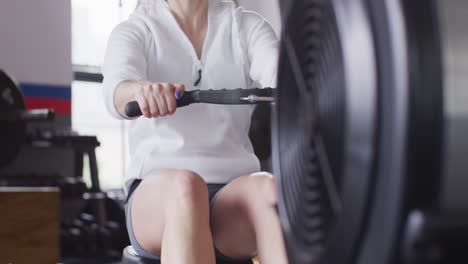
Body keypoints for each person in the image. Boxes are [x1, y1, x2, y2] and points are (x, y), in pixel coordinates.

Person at [102, 0, 287, 263]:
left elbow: (283, 77)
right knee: (187, 187)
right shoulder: (136, 29)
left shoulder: (246, 26)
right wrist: (140, 91)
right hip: (158, 196)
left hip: (230, 197)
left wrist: (294, 95)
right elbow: (117, 91)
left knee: (269, 191)